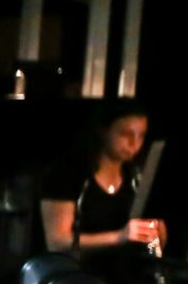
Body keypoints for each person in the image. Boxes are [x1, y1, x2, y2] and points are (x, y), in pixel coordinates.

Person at [38, 101, 162, 259]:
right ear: (103, 131)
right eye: (126, 134)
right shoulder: (67, 173)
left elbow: (157, 238)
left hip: (125, 267)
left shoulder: (136, 176)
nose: (134, 143)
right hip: (75, 270)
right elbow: (57, 242)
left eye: (141, 135)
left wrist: (155, 231)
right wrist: (119, 237)